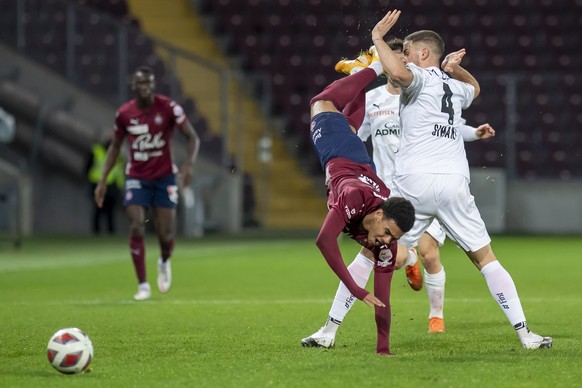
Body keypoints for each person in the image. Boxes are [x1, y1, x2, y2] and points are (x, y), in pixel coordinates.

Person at [371, 9, 552, 349]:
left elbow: (395, 71)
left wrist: (377, 38)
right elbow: (475, 88)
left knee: (375, 250)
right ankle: (525, 334)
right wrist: (454, 69)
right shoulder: (454, 88)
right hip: (454, 183)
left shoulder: (418, 77)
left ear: (423, 54)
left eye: (408, 51)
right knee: (486, 260)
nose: (404, 57)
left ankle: (330, 328)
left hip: (413, 183)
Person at [301, 38, 497, 348]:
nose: (402, 62)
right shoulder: (375, 97)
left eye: (402, 56)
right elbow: (352, 129)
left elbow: (448, 126)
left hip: (418, 185)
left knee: (430, 253)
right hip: (380, 190)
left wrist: (474, 133)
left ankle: (436, 317)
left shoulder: (420, 91)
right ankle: (329, 329)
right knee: (376, 255)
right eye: (398, 57)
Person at [301, 45, 416, 355]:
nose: (386, 242)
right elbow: (324, 241)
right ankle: (372, 67)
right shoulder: (353, 198)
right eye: (389, 234)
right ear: (378, 216)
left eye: (394, 239)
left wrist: (383, 349)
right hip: (339, 154)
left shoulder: (386, 239)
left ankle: (357, 71)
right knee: (321, 102)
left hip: (357, 157)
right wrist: (354, 288)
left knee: (350, 124)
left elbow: (383, 299)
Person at [95, 66, 200, 301]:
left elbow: (193, 137)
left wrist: (189, 164)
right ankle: (143, 284)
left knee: (166, 233)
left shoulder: (169, 108)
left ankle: (164, 261)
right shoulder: (124, 114)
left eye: (149, 83)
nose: (146, 87)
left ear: (153, 85)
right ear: (134, 86)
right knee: (136, 224)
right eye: (141, 83)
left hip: (164, 178)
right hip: (137, 178)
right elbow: (114, 146)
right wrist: (102, 180)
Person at [86, 135, 125, 235]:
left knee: (110, 211)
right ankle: (96, 232)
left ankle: (110, 233)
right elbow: (87, 168)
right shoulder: (96, 151)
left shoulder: (119, 154)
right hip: (97, 184)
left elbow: (120, 171)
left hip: (112, 186)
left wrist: (120, 186)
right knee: (98, 209)